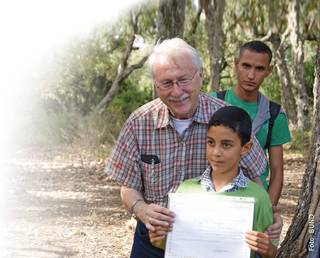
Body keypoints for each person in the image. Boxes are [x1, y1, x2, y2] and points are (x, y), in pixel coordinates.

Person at [105, 38, 278, 258]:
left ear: (201, 75)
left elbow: (256, 180)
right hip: (152, 237)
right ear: (155, 85)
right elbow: (128, 187)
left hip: (217, 242)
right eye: (166, 83)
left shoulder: (227, 119)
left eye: (184, 80)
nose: (177, 92)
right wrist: (142, 210)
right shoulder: (139, 122)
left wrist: (268, 216)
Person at [150, 106, 278, 258]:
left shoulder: (258, 197)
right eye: (211, 142)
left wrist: (267, 248)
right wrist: (157, 238)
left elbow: (271, 252)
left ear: (245, 148)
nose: (216, 152)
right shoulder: (186, 190)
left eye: (226, 145)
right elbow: (175, 243)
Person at [211, 40, 291, 206]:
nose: (251, 75)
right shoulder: (213, 102)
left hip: (254, 199)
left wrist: (267, 210)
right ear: (236, 63)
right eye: (246, 66)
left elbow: (277, 172)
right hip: (215, 197)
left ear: (269, 71)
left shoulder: (274, 114)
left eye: (259, 68)